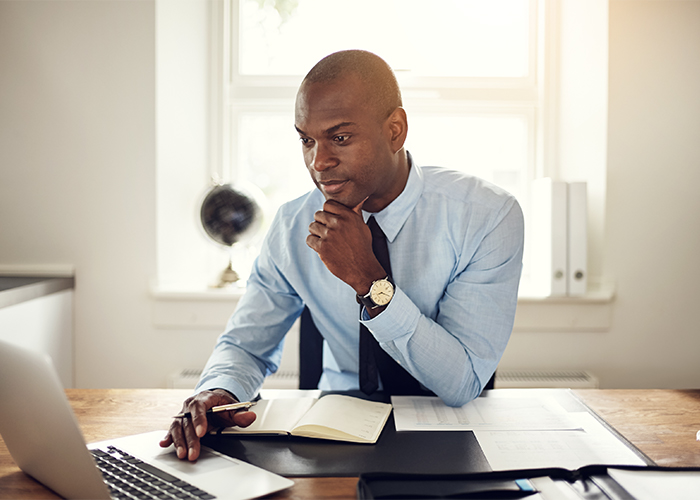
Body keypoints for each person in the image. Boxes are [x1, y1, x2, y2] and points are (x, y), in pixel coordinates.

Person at [161, 49, 524, 461]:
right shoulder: (291, 226)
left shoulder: (487, 215)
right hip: (332, 434)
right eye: (306, 140)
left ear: (395, 131)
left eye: (340, 138)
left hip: (453, 434)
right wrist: (219, 391)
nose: (319, 162)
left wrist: (371, 283)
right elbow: (247, 345)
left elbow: (461, 384)